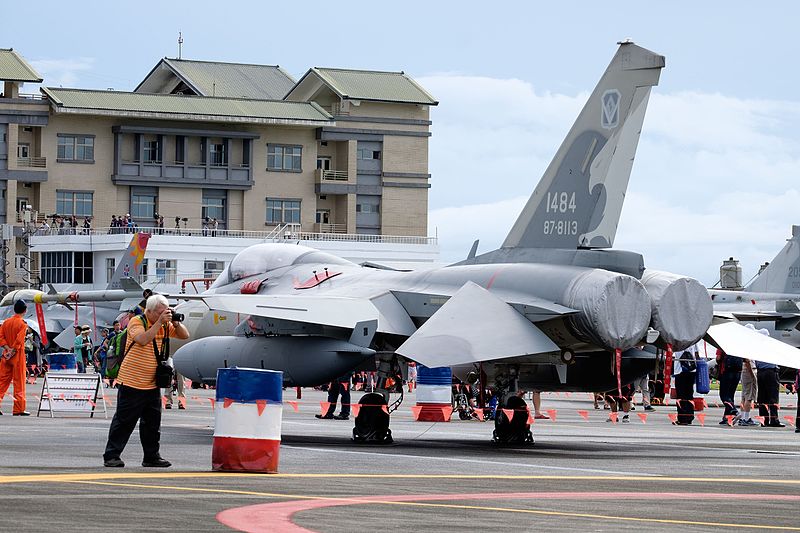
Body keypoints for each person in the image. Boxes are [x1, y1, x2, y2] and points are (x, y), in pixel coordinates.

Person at [103, 294, 190, 468]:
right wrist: (159, 323)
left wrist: (175, 322)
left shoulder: (165, 325)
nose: (163, 315)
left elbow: (184, 335)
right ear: (148, 311)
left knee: (152, 423)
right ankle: (111, 456)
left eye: (165, 312)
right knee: (124, 421)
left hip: (152, 383)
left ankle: (151, 456)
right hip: (131, 381)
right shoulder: (137, 322)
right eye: (159, 313)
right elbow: (142, 340)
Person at [0, 300, 32, 416]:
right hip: (17, 355)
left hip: (6, 355)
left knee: (2, 381)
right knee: (19, 382)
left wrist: (7, 349)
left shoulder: (6, 322)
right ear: (25, 310)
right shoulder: (23, 324)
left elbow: (1, 337)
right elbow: (19, 341)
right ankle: (19, 409)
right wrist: (12, 350)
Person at [755, 328, 784, 427]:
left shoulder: (756, 346)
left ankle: (764, 420)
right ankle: (774, 420)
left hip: (760, 373)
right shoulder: (771, 345)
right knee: (773, 397)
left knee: (762, 398)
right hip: (771, 372)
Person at [716, 346, 742, 424]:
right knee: (730, 395)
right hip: (737, 372)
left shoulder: (722, 344)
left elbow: (718, 358)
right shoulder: (738, 346)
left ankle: (734, 411)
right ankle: (727, 417)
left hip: (726, 371)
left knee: (724, 395)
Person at [673, 344, 698, 425]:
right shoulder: (694, 340)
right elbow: (697, 354)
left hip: (680, 371)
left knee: (681, 395)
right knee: (689, 394)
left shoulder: (677, 340)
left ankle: (682, 418)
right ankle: (690, 416)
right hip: (692, 370)